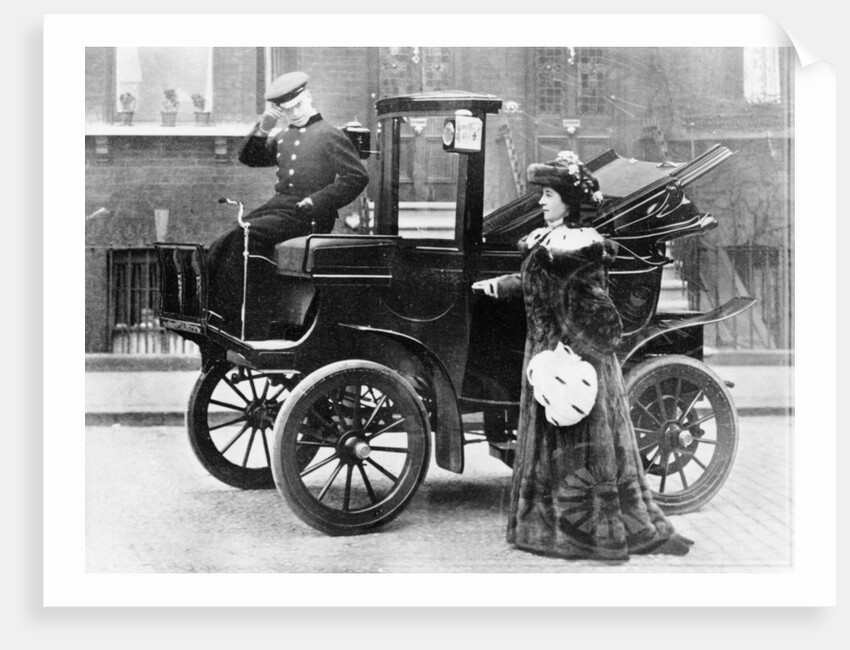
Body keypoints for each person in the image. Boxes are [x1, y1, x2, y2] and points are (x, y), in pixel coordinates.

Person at [473, 151, 692, 561]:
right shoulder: (545, 239)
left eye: (549, 194)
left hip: (573, 358)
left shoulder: (581, 246)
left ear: (569, 202)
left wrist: (571, 348)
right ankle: (548, 529)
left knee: (578, 443)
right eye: (541, 193)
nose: (541, 201)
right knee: (551, 440)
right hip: (544, 353)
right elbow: (538, 281)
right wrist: (502, 285)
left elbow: (600, 313)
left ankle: (588, 535)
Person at [206, 71, 369, 334]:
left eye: (298, 105)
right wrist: (264, 127)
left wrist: (317, 200)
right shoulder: (284, 136)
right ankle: (217, 314)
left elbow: (356, 177)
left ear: (309, 98)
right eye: (287, 110)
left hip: (309, 214)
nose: (294, 113)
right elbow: (250, 158)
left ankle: (251, 323)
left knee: (248, 235)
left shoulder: (330, 135)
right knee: (224, 240)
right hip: (280, 208)